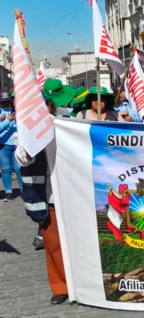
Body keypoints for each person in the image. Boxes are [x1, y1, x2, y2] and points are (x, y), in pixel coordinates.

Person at [15, 99, 68, 305]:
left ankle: (83, 285)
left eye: (42, 106)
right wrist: (31, 142)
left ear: (49, 107)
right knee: (53, 245)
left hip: (70, 194)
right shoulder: (26, 132)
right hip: (47, 197)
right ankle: (60, 287)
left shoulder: (65, 125)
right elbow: (22, 159)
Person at [0, 91, 21, 201]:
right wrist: (7, 121)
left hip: (17, 144)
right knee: (5, 169)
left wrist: (18, 120)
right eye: (3, 102)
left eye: (7, 102)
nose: (6, 104)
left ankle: (23, 190)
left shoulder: (17, 111)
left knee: (19, 169)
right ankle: (8, 192)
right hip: (3, 145)